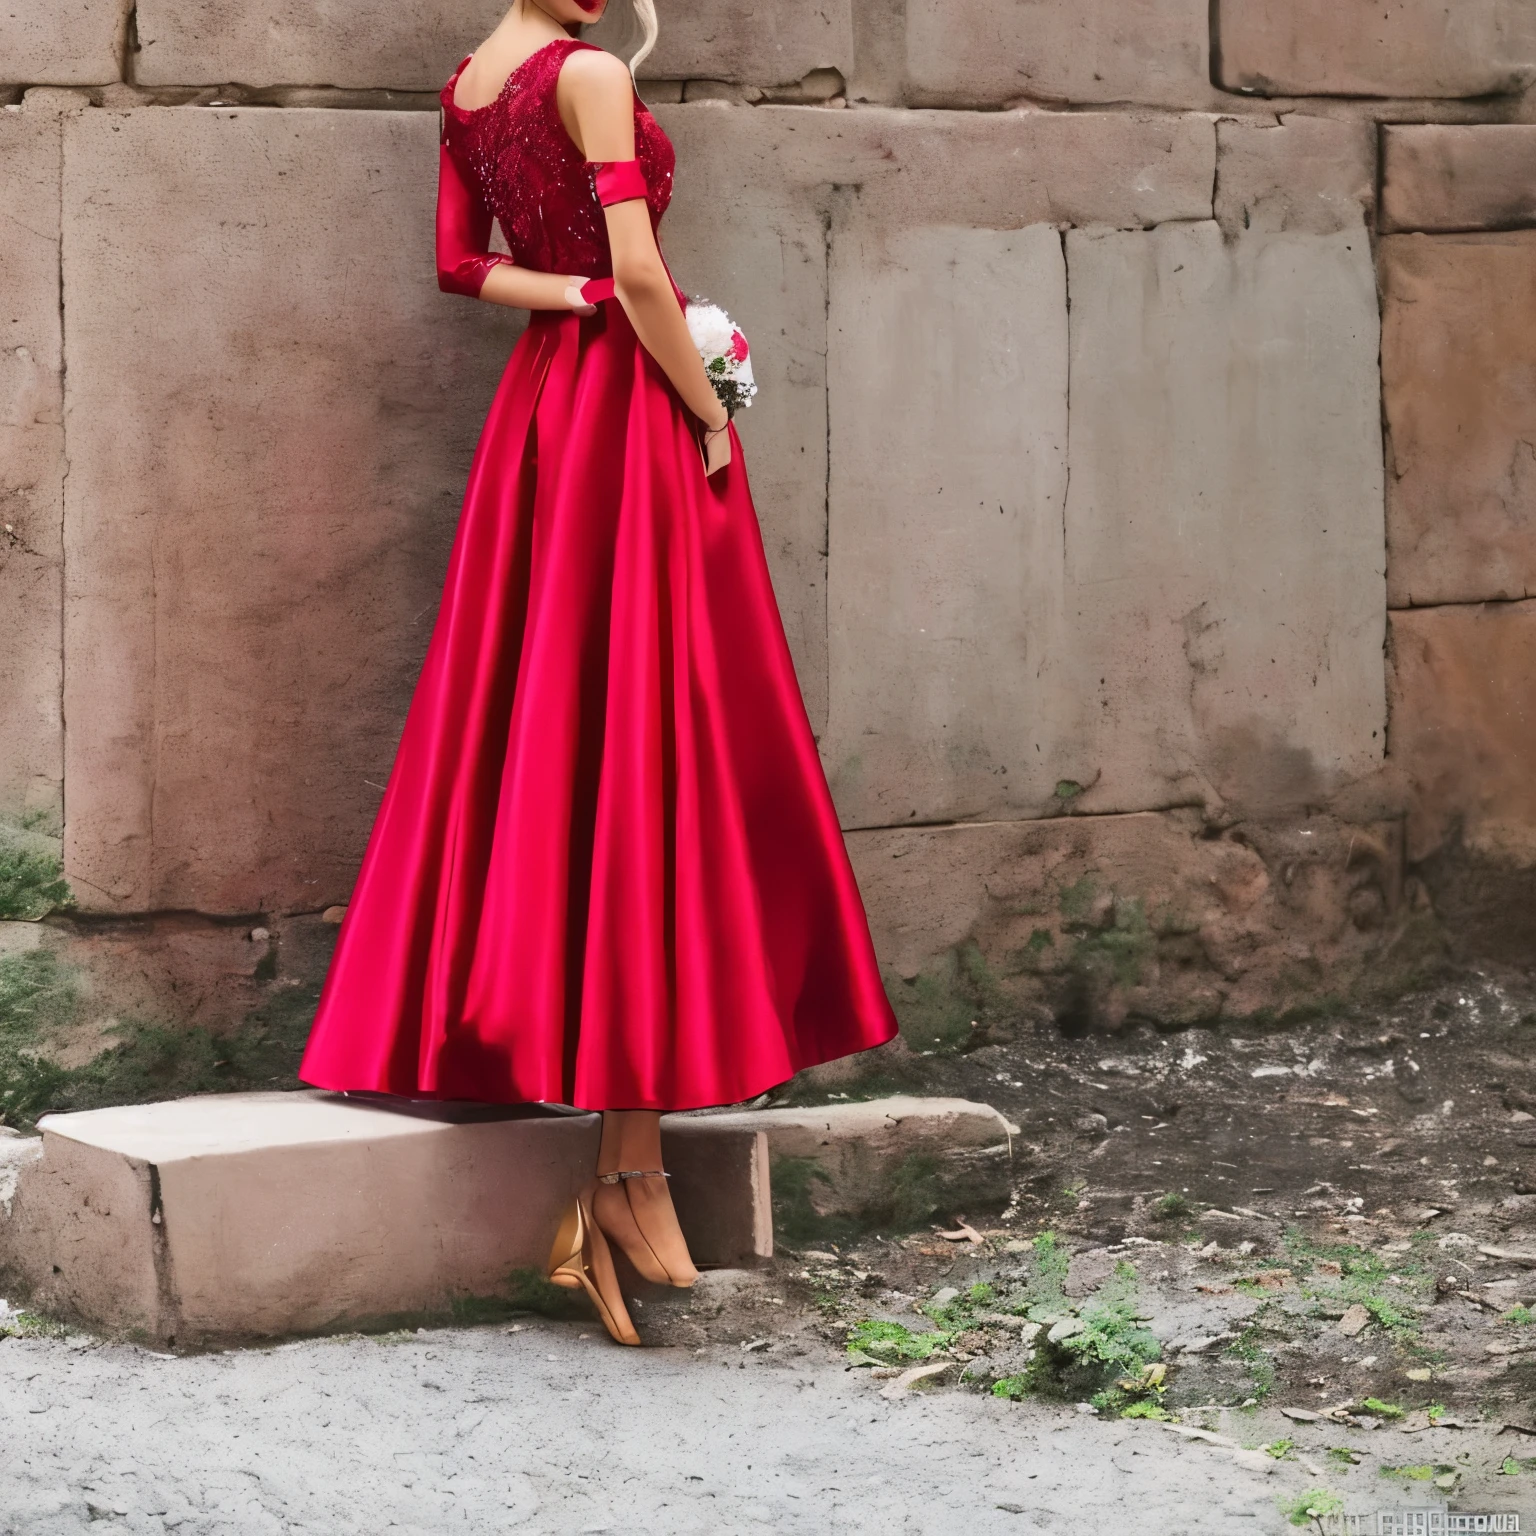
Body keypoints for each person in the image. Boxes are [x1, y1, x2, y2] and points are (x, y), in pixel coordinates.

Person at [298, 0, 899, 1345]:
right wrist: (707, 401)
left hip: (542, 414)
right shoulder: (581, 78)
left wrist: (568, 300)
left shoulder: (472, 84)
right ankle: (619, 1184)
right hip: (628, 412)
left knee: (600, 733)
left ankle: (628, 1178)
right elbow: (639, 277)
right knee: (653, 740)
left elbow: (463, 268)